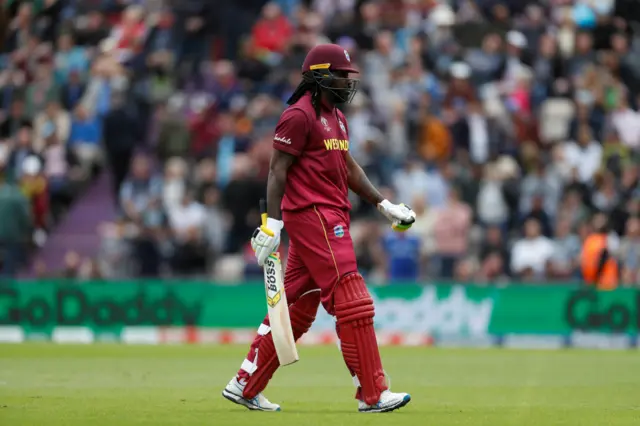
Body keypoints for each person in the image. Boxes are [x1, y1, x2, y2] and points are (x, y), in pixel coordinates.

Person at [222, 44, 416, 413]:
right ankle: (373, 393)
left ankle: (244, 384)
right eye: (341, 75)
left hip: (332, 216)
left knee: (297, 308)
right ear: (320, 75)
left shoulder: (337, 118)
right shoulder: (298, 116)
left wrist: (383, 204)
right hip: (314, 216)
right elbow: (277, 170)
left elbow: (350, 168)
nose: (347, 81)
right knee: (353, 299)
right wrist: (272, 224)